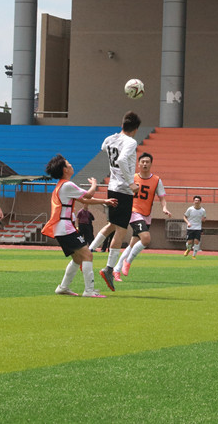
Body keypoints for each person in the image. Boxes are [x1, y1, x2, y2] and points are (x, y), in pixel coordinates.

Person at [42, 154, 117, 298]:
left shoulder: (62, 186)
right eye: (68, 164)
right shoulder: (67, 185)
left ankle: (63, 287)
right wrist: (94, 184)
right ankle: (89, 290)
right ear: (64, 170)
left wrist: (105, 201)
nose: (71, 165)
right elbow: (88, 196)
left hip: (61, 228)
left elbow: (84, 200)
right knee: (88, 255)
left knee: (77, 259)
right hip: (65, 227)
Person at [86, 111, 141, 292]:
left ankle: (89, 250)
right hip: (124, 189)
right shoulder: (131, 142)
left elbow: (104, 147)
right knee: (121, 230)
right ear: (136, 129)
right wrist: (131, 182)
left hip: (112, 186)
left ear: (122, 125)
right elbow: (122, 159)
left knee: (112, 224)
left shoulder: (110, 139)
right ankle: (109, 269)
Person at [112, 152, 172, 281]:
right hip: (133, 212)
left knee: (132, 245)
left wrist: (164, 208)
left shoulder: (156, 180)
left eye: (147, 162)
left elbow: (162, 197)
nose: (145, 164)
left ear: (151, 164)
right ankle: (128, 262)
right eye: (142, 162)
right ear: (138, 164)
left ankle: (116, 269)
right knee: (146, 239)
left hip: (146, 214)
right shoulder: (131, 178)